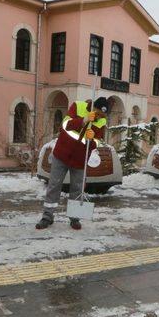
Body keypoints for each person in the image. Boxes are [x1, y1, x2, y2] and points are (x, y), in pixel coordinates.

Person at [36, 97, 109, 230]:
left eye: (102, 115)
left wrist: (92, 140)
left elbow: (97, 143)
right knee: (54, 185)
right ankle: (47, 216)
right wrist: (84, 120)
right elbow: (65, 125)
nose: (99, 116)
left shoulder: (102, 121)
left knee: (77, 189)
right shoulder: (77, 106)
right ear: (93, 107)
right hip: (62, 155)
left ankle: (75, 218)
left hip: (80, 160)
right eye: (98, 113)